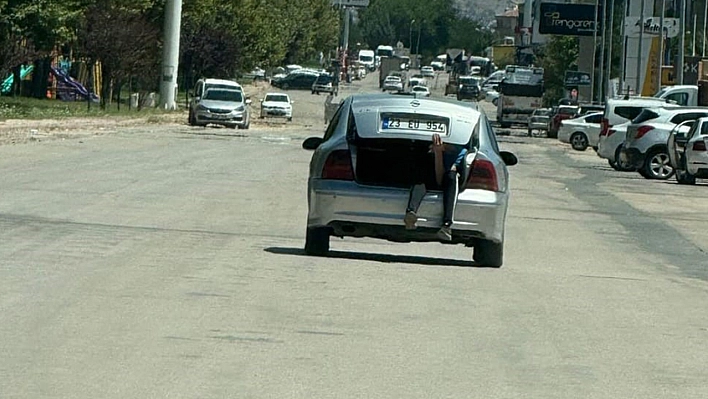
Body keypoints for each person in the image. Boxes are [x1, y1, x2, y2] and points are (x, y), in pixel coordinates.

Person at [403, 133, 468, 241]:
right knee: (420, 179)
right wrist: (436, 153)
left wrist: (439, 153)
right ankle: (411, 212)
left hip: (445, 180)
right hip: (432, 177)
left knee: (452, 177)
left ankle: (446, 224)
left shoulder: (461, 153)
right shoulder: (429, 149)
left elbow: (440, 179)